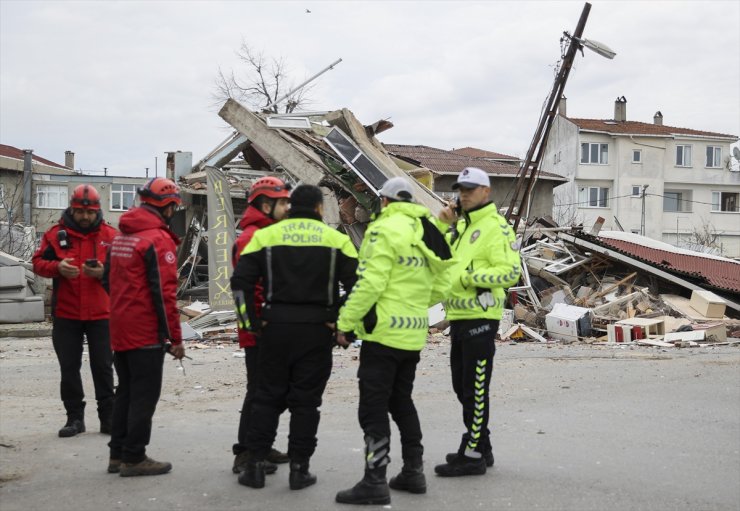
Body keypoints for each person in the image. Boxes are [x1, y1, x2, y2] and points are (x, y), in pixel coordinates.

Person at [334, 177, 454, 506]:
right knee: (401, 401)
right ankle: (413, 472)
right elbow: (444, 285)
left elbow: (370, 283)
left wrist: (346, 322)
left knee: (372, 406)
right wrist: (413, 304)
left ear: (384, 201)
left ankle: (375, 479)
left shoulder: (383, 229)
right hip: (413, 333)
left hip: (384, 334)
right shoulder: (428, 231)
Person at [231, 184, 358, 491]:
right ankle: (300, 470)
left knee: (265, 398)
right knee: (306, 403)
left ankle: (255, 467)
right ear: (318, 209)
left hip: (274, 329)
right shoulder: (337, 240)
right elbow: (360, 287)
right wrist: (342, 324)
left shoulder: (265, 236)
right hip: (316, 331)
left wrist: (253, 324)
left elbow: (239, 283)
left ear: (290, 207)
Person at [432, 167, 521, 477]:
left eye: (470, 189)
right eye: (461, 189)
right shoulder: (463, 227)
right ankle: (482, 445)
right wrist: (445, 225)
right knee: (462, 387)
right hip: (459, 317)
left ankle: (473, 455)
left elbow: (510, 272)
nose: (464, 194)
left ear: (487, 191)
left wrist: (470, 278)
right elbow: (440, 260)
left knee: (475, 388)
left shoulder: (495, 227)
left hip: (481, 317)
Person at [103, 177, 185, 477]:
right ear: (168, 206)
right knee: (144, 395)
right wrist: (175, 338)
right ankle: (134, 457)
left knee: (125, 391)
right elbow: (165, 296)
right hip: (145, 330)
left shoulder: (121, 237)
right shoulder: (157, 240)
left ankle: (117, 454)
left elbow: (106, 279)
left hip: (120, 326)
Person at [32, 184, 118, 438]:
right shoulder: (54, 234)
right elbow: (37, 263)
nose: (85, 217)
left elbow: (126, 267)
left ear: (97, 211)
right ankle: (74, 419)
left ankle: (108, 418)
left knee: (103, 366)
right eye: (80, 211)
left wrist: (105, 272)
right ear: (72, 208)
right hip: (66, 313)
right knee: (69, 368)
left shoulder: (110, 236)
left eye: (90, 212)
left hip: (101, 313)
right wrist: (58, 267)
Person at [231, 176, 291, 476]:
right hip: (259, 331)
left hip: (272, 328)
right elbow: (244, 289)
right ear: (266, 204)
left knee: (271, 392)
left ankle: (261, 444)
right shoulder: (251, 238)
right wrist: (253, 327)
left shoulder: (269, 234)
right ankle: (246, 452)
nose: (288, 207)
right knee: (259, 392)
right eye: (283, 202)